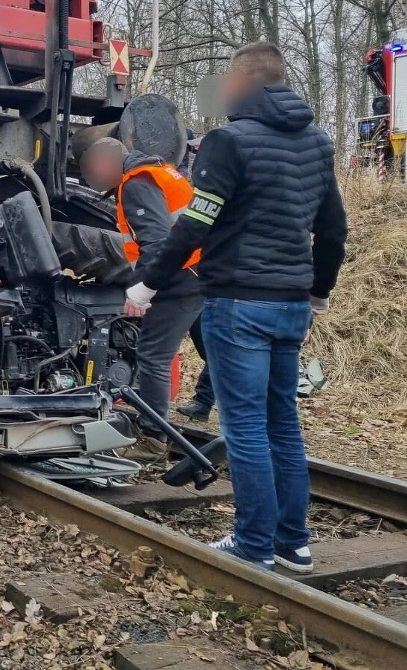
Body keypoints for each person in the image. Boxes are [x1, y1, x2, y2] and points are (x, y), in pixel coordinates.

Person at [126, 42, 347, 572]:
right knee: (282, 423)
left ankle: (253, 542)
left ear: (243, 81)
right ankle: (293, 542)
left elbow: (194, 225)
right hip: (291, 304)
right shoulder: (317, 142)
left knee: (246, 426)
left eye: (227, 80)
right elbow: (334, 228)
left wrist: (148, 285)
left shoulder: (227, 142)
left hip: (238, 302)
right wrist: (319, 291)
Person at [80, 137, 203, 463]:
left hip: (183, 276)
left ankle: (152, 439)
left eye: (92, 170)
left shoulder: (136, 184)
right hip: (203, 270)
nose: (91, 179)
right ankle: (247, 430)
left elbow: (158, 241)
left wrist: (145, 289)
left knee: (152, 355)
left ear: (107, 162)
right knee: (218, 352)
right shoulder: (157, 171)